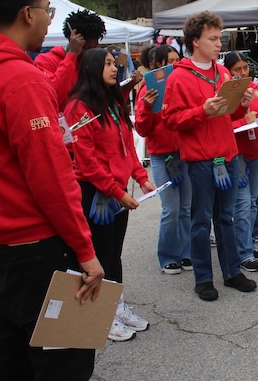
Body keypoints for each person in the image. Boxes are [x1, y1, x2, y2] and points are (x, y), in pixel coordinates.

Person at [0, 0, 105, 380]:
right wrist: (85, 251)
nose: (50, 19)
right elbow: (52, 178)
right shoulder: (20, 79)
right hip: (36, 246)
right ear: (27, 14)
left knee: (11, 358)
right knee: (64, 361)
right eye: (47, 9)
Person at [162, 11, 258, 301]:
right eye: (213, 38)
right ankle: (203, 278)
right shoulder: (178, 77)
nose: (219, 44)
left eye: (220, 38)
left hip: (227, 155)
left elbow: (229, 114)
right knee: (201, 221)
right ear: (195, 41)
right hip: (201, 159)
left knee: (226, 218)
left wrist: (242, 104)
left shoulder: (223, 73)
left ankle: (231, 272)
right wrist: (201, 111)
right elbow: (170, 120)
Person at [66, 48, 156, 341]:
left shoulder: (113, 102)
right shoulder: (78, 107)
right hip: (95, 193)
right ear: (91, 68)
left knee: (113, 253)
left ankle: (116, 306)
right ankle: (99, 316)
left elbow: (127, 147)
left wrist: (141, 178)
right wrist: (116, 192)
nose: (115, 68)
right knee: (97, 256)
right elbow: (87, 160)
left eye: (114, 63)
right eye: (107, 64)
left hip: (116, 192)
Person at [134, 45, 193, 276]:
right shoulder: (147, 90)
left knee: (186, 208)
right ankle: (168, 256)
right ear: (158, 64)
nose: (175, 64)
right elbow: (142, 129)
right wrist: (147, 107)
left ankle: (187, 252)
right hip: (161, 157)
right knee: (171, 209)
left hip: (184, 154)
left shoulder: (181, 84)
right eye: (170, 61)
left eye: (177, 59)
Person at [224, 51, 258, 271]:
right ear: (228, 72)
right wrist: (243, 121)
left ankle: (249, 243)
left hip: (256, 152)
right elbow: (222, 125)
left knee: (252, 201)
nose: (243, 73)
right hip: (237, 154)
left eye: (245, 68)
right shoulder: (227, 93)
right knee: (243, 204)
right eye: (237, 69)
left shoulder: (256, 89)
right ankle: (243, 253)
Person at [35, 9, 106, 109]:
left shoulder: (91, 64)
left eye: (94, 48)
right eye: (87, 48)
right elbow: (53, 97)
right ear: (72, 39)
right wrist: (72, 55)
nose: (91, 53)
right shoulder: (45, 61)